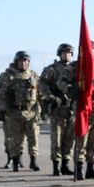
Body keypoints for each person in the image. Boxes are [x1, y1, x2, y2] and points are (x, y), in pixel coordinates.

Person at [0, 51, 41, 171]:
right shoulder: (8, 76)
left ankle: (33, 161)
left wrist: (43, 108)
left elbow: (40, 93)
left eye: (26, 61)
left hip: (31, 112)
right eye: (22, 61)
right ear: (17, 62)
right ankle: (16, 161)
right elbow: (1, 94)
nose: (24, 63)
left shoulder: (33, 76)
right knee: (16, 139)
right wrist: (1, 109)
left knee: (33, 138)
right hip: (15, 112)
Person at [39, 44, 77, 176]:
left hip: (71, 108)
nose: (66, 55)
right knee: (57, 138)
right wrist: (51, 97)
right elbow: (42, 85)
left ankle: (65, 164)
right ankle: (56, 165)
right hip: (57, 109)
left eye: (69, 53)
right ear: (59, 54)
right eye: (64, 53)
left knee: (69, 138)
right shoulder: (52, 69)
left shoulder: (76, 68)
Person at [73, 39, 94, 180]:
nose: (89, 51)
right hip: (83, 108)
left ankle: (90, 168)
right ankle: (78, 168)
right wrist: (70, 89)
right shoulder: (76, 67)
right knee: (81, 140)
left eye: (91, 49)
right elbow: (62, 81)